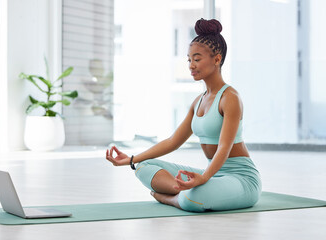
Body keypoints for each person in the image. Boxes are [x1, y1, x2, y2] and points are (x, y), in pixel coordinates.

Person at [105, 18, 261, 212]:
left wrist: (203, 178)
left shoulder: (230, 98)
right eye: (189, 60)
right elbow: (172, 142)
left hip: (240, 180)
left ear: (217, 59)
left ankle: (174, 198)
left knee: (196, 198)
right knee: (144, 167)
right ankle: (183, 192)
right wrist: (131, 159)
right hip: (212, 174)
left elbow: (224, 147)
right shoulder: (198, 101)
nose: (191, 65)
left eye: (197, 59)